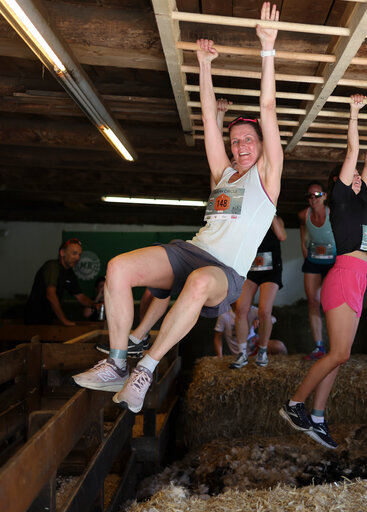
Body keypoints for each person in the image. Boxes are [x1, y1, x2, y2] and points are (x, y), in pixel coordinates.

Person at [73, 3, 283, 414]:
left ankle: (144, 370)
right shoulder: (222, 174)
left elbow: (270, 110)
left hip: (224, 273)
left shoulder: (267, 178)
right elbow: (208, 119)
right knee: (117, 268)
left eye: (248, 140)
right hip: (190, 251)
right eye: (235, 139)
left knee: (201, 283)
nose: (240, 146)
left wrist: (267, 50)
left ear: (260, 146)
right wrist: (203, 65)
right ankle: (117, 361)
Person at [280, 95, 367, 449]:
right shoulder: (339, 197)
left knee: (341, 354)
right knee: (338, 353)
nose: (358, 177)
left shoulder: (361, 200)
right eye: (352, 176)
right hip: (342, 275)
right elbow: (354, 153)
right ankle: (295, 404)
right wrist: (355, 115)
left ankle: (318, 417)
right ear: (338, 184)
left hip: (358, 279)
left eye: (360, 178)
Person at [231, 215, 287, 369]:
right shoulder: (249, 219)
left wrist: (272, 213)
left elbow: (282, 236)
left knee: (264, 310)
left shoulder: (275, 219)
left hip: (271, 270)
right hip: (252, 268)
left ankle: (262, 351)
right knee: (241, 308)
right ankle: (242, 353)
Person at [298, 181, 336, 360]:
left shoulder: (333, 214)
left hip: (332, 263)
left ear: (325, 196)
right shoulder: (303, 215)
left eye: (317, 195)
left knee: (331, 303)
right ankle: (319, 347)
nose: (313, 199)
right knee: (313, 302)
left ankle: (336, 346)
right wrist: (303, 247)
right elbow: (303, 228)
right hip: (313, 261)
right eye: (310, 196)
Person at [25, 238, 99, 325]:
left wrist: (95, 305)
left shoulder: (69, 273)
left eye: (79, 254)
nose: (77, 258)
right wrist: (64, 320)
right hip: (34, 321)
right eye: (74, 253)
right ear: (62, 253)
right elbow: (50, 294)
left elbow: (80, 296)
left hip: (49, 320)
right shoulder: (52, 266)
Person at [214, 303, 286, 359]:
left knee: (279, 346)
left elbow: (273, 318)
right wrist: (219, 355)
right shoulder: (224, 316)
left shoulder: (252, 310)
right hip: (241, 352)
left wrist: (261, 321)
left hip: (256, 345)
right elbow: (218, 337)